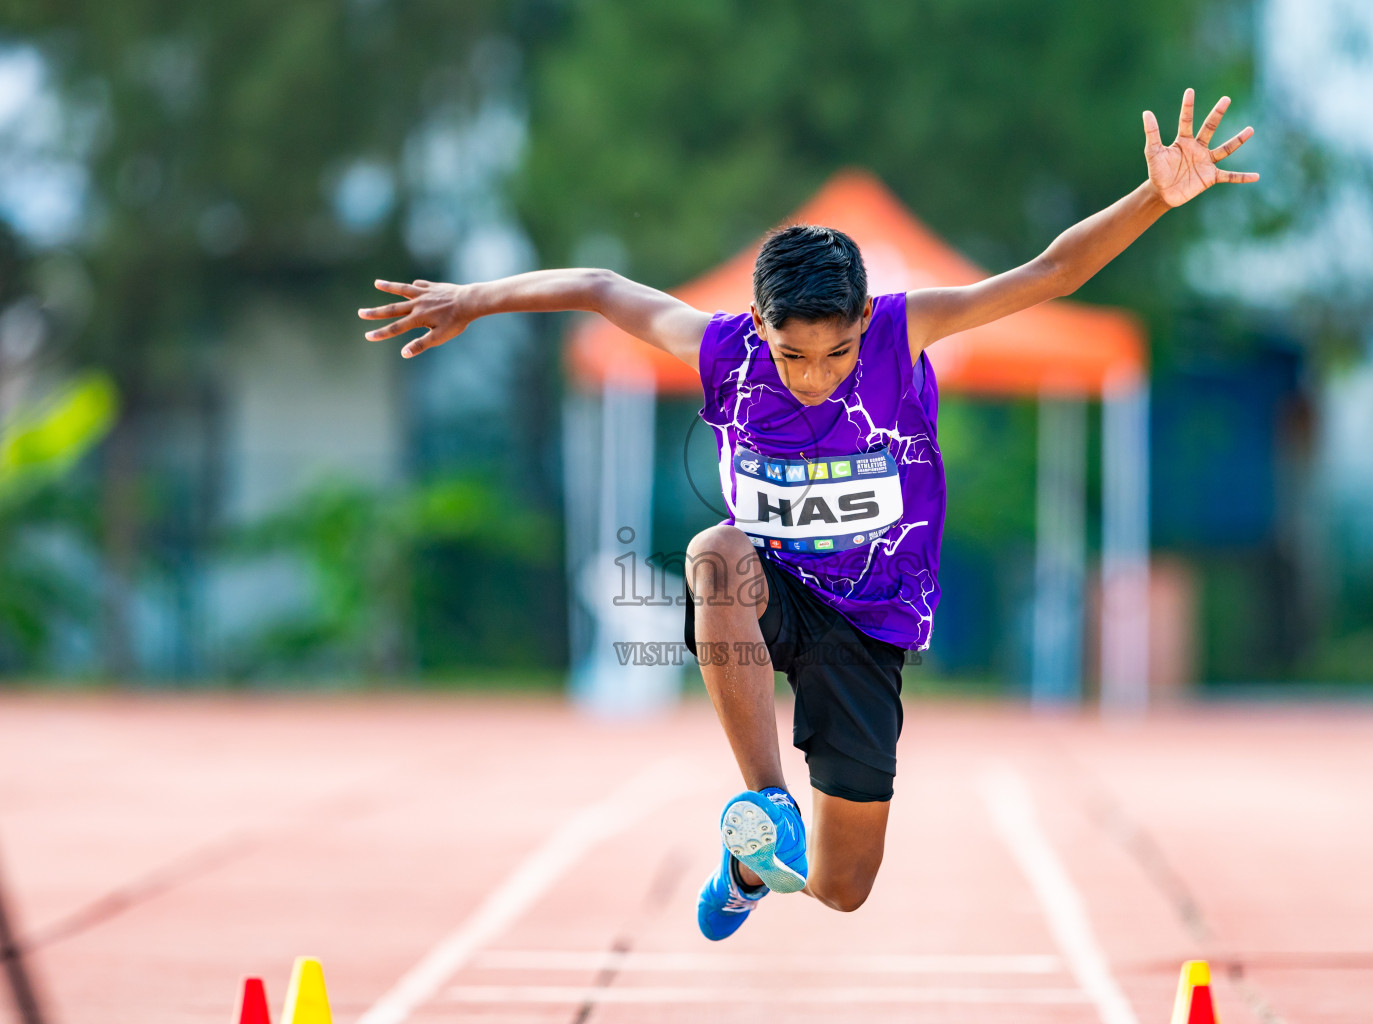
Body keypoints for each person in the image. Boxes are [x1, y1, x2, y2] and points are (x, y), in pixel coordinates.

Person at [358, 89, 1257, 940]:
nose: (815, 374)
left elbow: (1051, 273)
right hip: (770, 586)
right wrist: (473, 297)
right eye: (793, 353)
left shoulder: (905, 330)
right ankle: (765, 806)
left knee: (842, 889)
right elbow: (599, 285)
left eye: (836, 352)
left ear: (865, 318)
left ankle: (749, 874)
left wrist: (1153, 197)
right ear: (757, 322)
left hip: (867, 626)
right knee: (717, 551)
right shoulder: (722, 351)